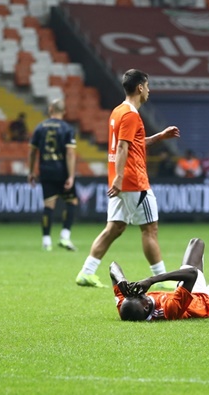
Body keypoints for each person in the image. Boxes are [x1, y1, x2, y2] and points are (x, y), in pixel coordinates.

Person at [75, 68, 180, 288]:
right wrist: (121, 177)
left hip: (120, 181)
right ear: (140, 87)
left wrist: (160, 136)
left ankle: (86, 272)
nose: (149, 91)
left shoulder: (118, 112)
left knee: (114, 228)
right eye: (148, 86)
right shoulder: (131, 114)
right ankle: (161, 278)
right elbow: (122, 146)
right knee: (150, 229)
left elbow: (133, 143)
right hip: (132, 180)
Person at [28, 99, 78, 252]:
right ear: (64, 112)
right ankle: (64, 236)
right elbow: (70, 153)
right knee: (72, 202)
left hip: (46, 170)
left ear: (50, 109)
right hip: (62, 171)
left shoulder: (40, 127)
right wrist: (70, 176)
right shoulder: (67, 129)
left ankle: (46, 241)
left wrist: (31, 171)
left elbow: (32, 152)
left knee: (48, 206)